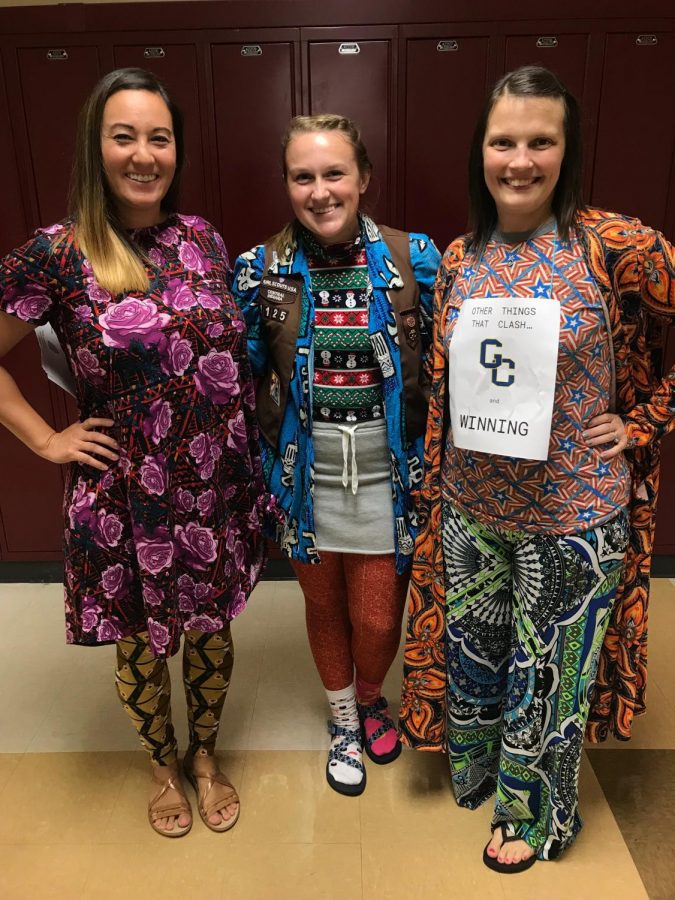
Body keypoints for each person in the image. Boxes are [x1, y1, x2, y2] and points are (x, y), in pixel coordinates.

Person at [398, 65, 674, 871]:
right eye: (502, 141)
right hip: (472, 512)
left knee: (548, 678)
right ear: (479, 151)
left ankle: (533, 818)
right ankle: (481, 772)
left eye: (539, 142)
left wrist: (643, 421)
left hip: (573, 517)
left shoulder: (616, 245)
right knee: (477, 661)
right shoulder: (459, 256)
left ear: (566, 150)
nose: (518, 160)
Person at [0, 68, 272, 837]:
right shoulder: (58, 253)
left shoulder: (201, 237)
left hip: (215, 487)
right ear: (97, 147)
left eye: (158, 136)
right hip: (129, 495)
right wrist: (46, 438)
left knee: (213, 629)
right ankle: (161, 765)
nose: (144, 153)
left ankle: (205, 754)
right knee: (144, 643)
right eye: (125, 136)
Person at [232, 114, 440, 795]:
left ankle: (372, 694)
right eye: (302, 177)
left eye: (333, 173)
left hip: (390, 481)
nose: (319, 191)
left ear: (363, 179)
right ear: (287, 185)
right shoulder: (261, 272)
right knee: (324, 608)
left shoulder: (414, 261)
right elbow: (238, 375)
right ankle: (344, 718)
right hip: (305, 482)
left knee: (379, 613)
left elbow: (450, 367)